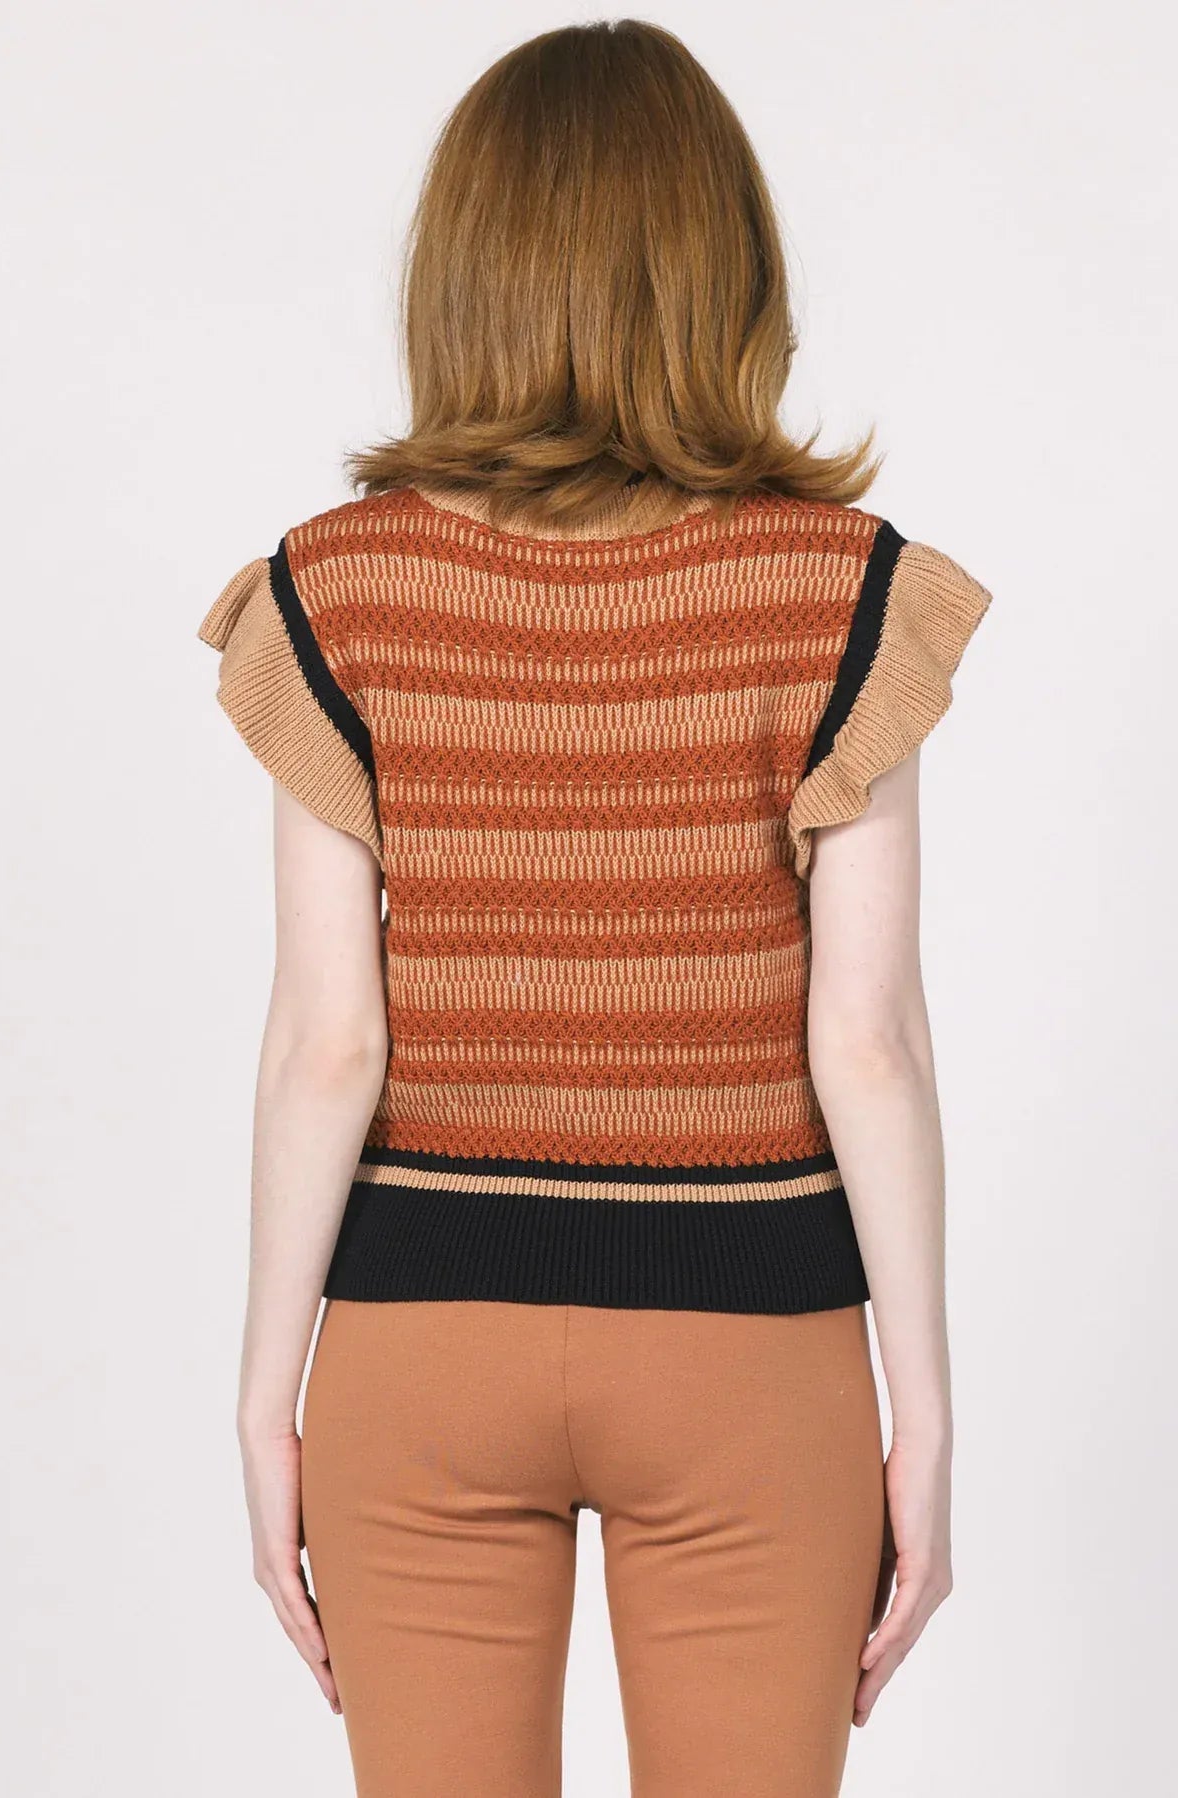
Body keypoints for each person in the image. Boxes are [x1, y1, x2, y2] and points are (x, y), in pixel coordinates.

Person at [197, 19, 990, 1797]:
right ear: (729, 267)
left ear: (466, 268)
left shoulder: (341, 589)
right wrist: (925, 1411)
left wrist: (264, 1396)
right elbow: (867, 1039)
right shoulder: (838, 593)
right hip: (752, 1346)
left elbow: (327, 1043)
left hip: (422, 1343)